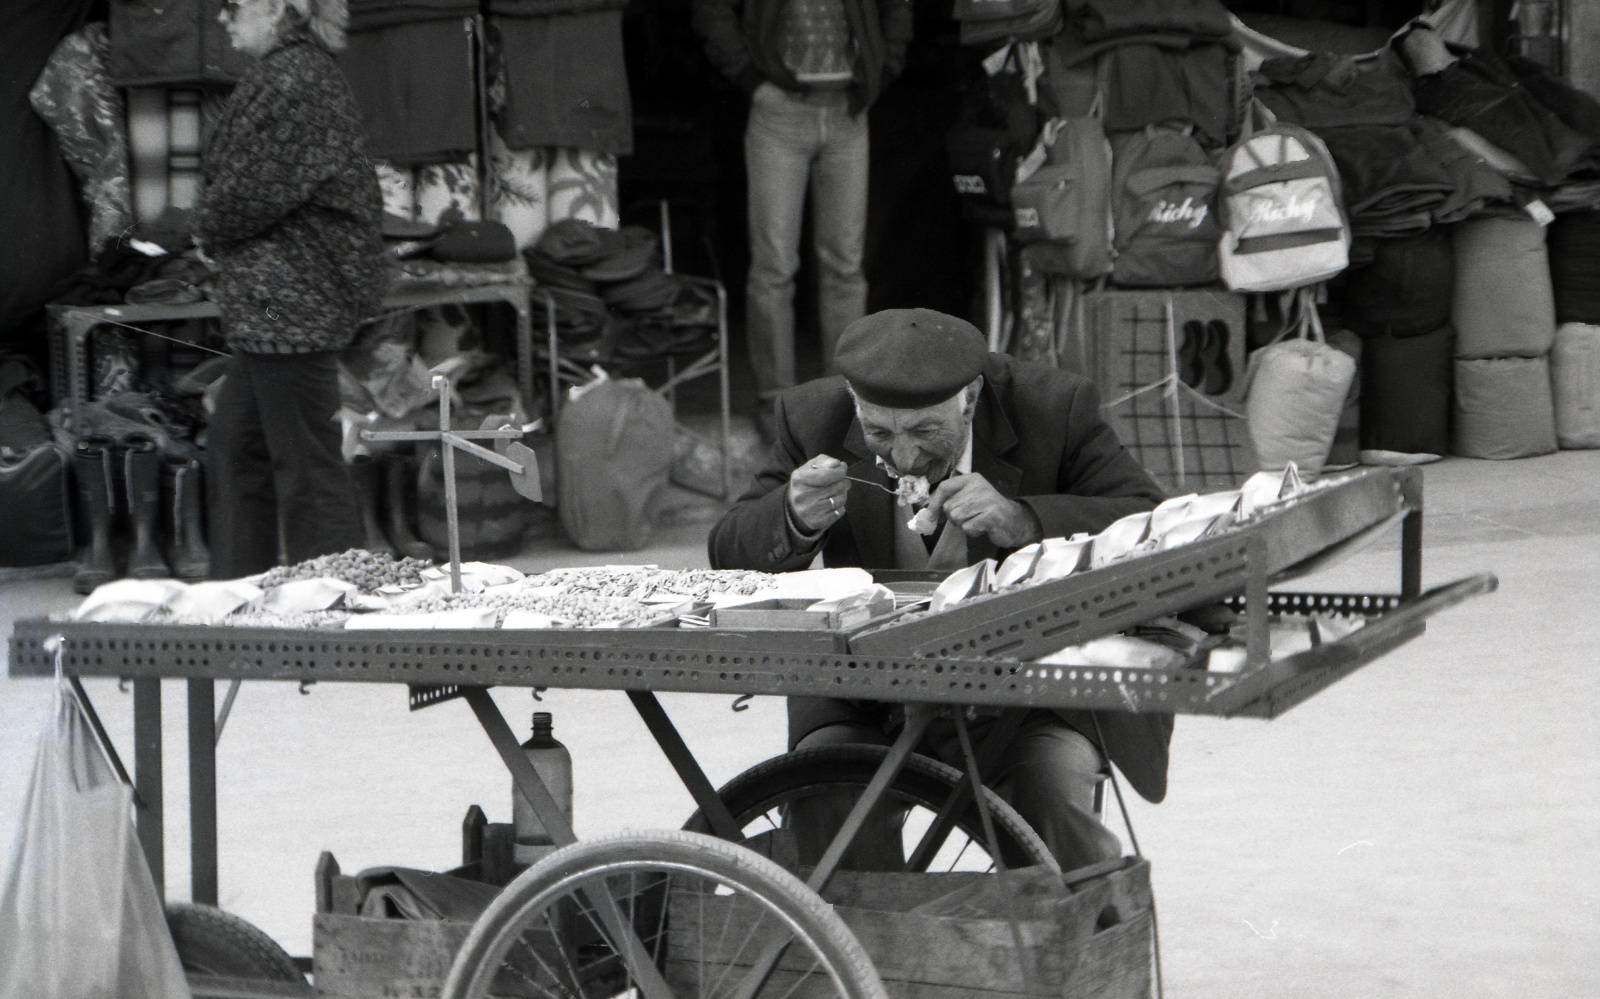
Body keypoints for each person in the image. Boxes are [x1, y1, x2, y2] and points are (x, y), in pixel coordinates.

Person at [708, 308, 1170, 871]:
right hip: (866, 685)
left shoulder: (1055, 406)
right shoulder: (813, 416)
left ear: (970, 399)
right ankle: (872, 948)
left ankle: (1078, 938)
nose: (902, 456)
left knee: (1049, 783)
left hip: (1029, 687)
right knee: (826, 783)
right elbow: (727, 555)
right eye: (879, 433)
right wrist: (792, 516)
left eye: (926, 431)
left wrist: (1023, 520)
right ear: (854, 402)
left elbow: (1151, 522)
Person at [197, 0, 387, 578]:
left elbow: (245, 196)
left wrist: (204, 227)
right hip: (276, 305)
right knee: (238, 452)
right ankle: (238, 600)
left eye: (233, 5)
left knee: (306, 468)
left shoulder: (293, 78)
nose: (223, 17)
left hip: (289, 305)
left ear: (276, 7)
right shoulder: (287, 73)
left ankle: (332, 608)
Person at [691, 0, 914, 439]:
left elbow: (899, 7)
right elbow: (711, 9)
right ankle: (776, 403)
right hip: (779, 112)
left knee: (845, 266)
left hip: (848, 111)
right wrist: (750, 81)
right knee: (774, 267)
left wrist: (883, 70)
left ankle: (846, 401)